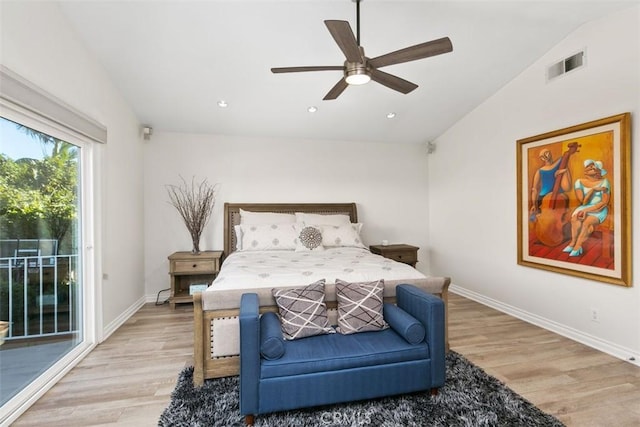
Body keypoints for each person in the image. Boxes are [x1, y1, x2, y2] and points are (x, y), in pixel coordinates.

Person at [563, 159, 610, 257]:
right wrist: (591, 191)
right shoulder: (579, 182)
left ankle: (577, 246)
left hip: (599, 209)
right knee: (574, 218)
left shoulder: (604, 182)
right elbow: (583, 202)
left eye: (592, 167)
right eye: (588, 167)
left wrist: (585, 210)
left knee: (586, 222)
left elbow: (604, 202)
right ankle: (573, 243)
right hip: (584, 206)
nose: (588, 168)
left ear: (598, 172)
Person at [529, 148, 571, 219]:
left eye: (546, 153)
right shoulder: (539, 171)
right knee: (534, 218)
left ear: (550, 153)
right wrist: (534, 205)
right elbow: (534, 189)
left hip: (559, 196)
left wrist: (563, 172)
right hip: (543, 198)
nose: (545, 156)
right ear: (541, 159)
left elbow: (567, 187)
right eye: (542, 156)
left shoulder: (560, 161)